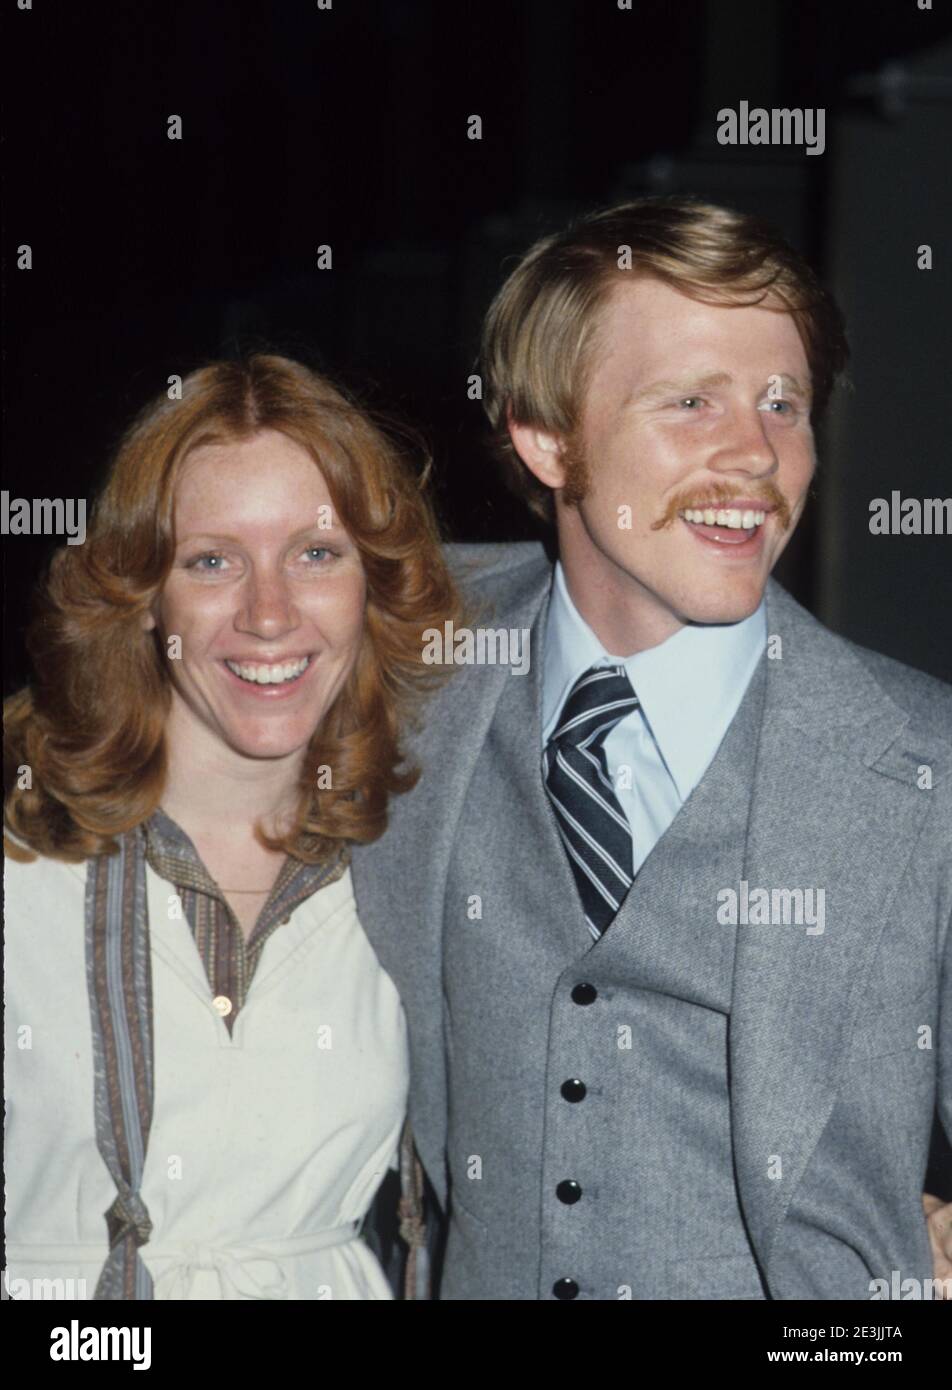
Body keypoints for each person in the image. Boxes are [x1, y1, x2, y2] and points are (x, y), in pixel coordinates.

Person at [349, 196, 952, 1300]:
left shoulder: (923, 769)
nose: (756, 456)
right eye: (690, 403)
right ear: (547, 435)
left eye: (785, 403)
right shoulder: (397, 659)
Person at [3, 354, 464, 1300]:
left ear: (372, 586)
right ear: (141, 597)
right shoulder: (22, 858)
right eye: (212, 561)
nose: (268, 613)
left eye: (317, 553)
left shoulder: (412, 854)